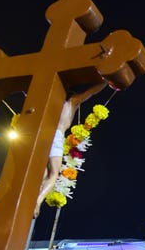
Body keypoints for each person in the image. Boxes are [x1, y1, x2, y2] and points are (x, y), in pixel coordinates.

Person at [34, 82, 107, 217]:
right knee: (54, 174)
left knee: (44, 172)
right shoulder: (72, 101)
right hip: (56, 136)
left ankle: (33, 196)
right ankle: (37, 201)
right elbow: (91, 92)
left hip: (40, 135)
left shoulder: (51, 101)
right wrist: (106, 81)